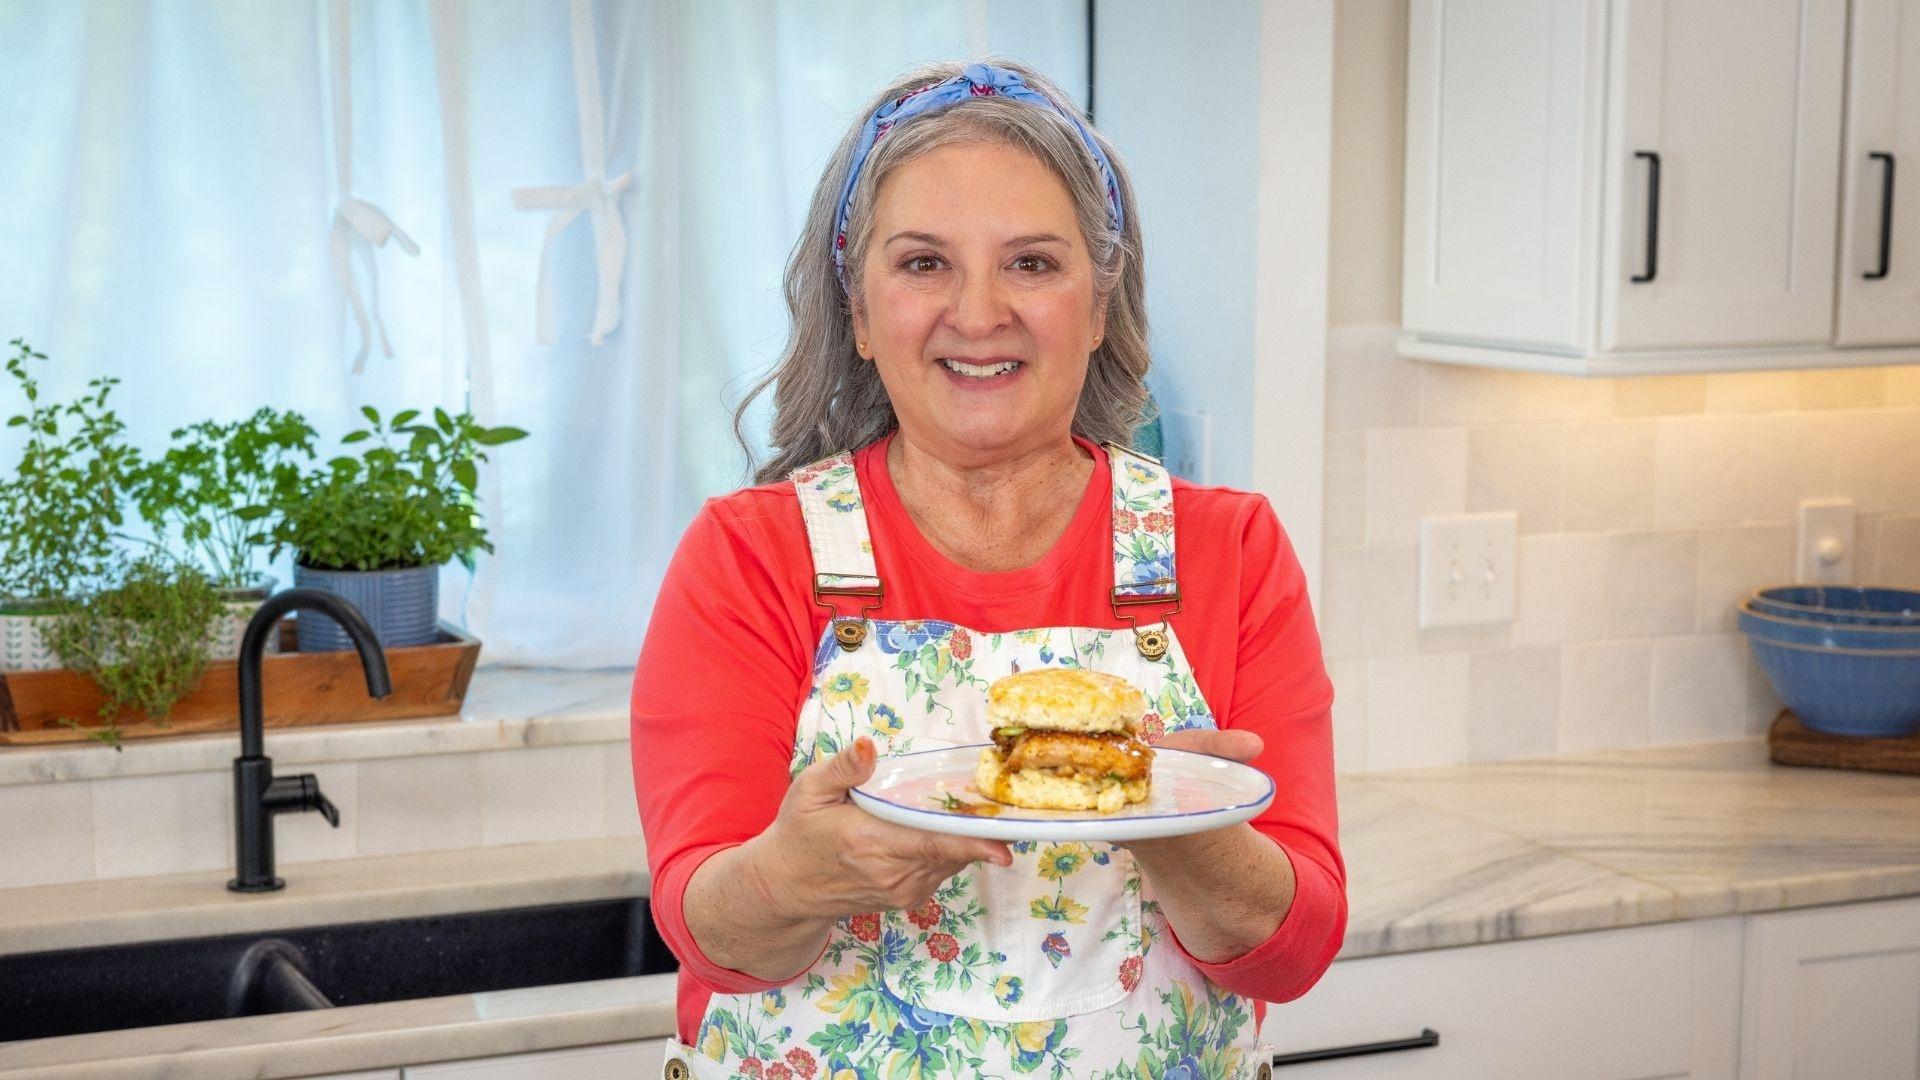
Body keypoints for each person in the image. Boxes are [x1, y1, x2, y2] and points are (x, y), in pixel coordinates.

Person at [631, 58, 1344, 1080]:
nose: (979, 312)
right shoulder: (751, 555)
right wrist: (793, 878)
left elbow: (1295, 949)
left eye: (1033, 264)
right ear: (860, 315)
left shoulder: (1227, 549)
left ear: (1100, 308)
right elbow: (714, 934)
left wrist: (1185, 820)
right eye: (924, 263)